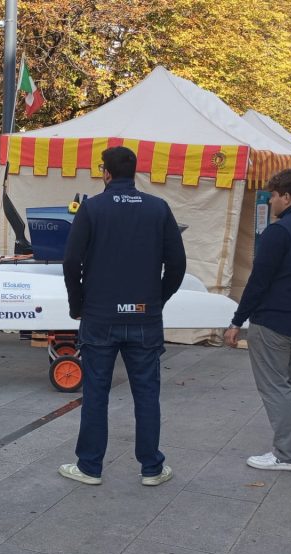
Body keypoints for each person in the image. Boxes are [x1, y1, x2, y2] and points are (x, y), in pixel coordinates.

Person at [58, 146, 186, 486]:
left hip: (99, 315)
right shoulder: (158, 208)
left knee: (96, 392)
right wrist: (158, 299)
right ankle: (151, 468)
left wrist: (77, 304)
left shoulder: (92, 208)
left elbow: (71, 261)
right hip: (144, 316)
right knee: (147, 393)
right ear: (135, 172)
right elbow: (177, 264)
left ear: (106, 172)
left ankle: (89, 466)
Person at [224, 168, 291, 472]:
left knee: (275, 387)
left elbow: (258, 281)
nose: (270, 201)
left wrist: (236, 321)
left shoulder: (280, 231)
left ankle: (285, 454)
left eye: (273, 195)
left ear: (286, 197)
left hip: (275, 321)